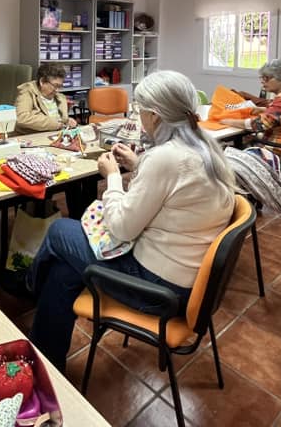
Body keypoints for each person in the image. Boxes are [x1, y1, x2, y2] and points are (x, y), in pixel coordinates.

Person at [28, 70, 236, 371]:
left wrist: (112, 177)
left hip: (159, 290)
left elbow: (122, 228)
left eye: (140, 111)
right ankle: (47, 359)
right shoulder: (204, 147)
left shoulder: (165, 158)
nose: (138, 119)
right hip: (187, 283)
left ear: (155, 115)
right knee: (63, 270)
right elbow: (173, 191)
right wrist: (139, 165)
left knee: (60, 230)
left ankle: (29, 286)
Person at [217, 59, 281, 162]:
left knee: (225, 155)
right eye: (262, 78)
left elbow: (258, 125)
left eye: (267, 78)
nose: (262, 81)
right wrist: (263, 109)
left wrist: (227, 121)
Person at [14, 63, 78, 133]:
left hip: (56, 134)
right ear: (42, 81)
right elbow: (21, 118)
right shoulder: (27, 93)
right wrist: (56, 124)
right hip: (34, 136)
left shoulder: (60, 97)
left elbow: (62, 120)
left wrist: (67, 121)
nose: (57, 90)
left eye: (60, 86)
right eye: (55, 85)